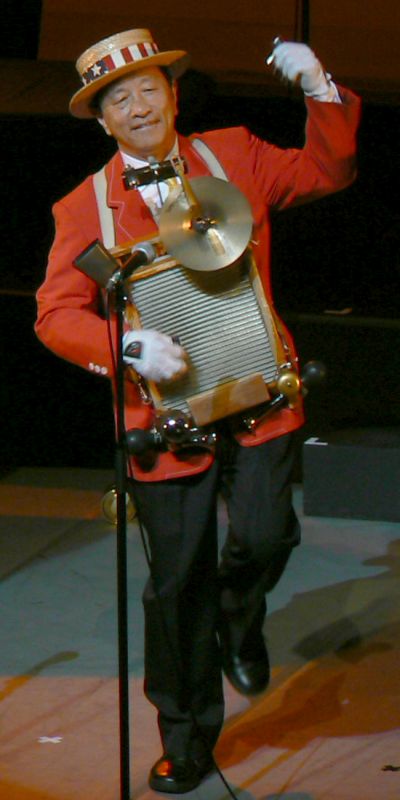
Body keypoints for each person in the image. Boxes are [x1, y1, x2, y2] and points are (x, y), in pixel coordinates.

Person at [35, 28, 361, 794]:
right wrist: (125, 347)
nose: (139, 106)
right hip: (164, 420)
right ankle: (185, 736)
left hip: (258, 395)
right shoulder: (85, 207)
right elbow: (54, 314)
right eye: (119, 99)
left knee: (266, 534)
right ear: (103, 120)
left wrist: (319, 87)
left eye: (149, 89)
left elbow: (328, 169)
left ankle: (239, 614)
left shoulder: (234, 155)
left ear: (174, 96)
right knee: (177, 585)